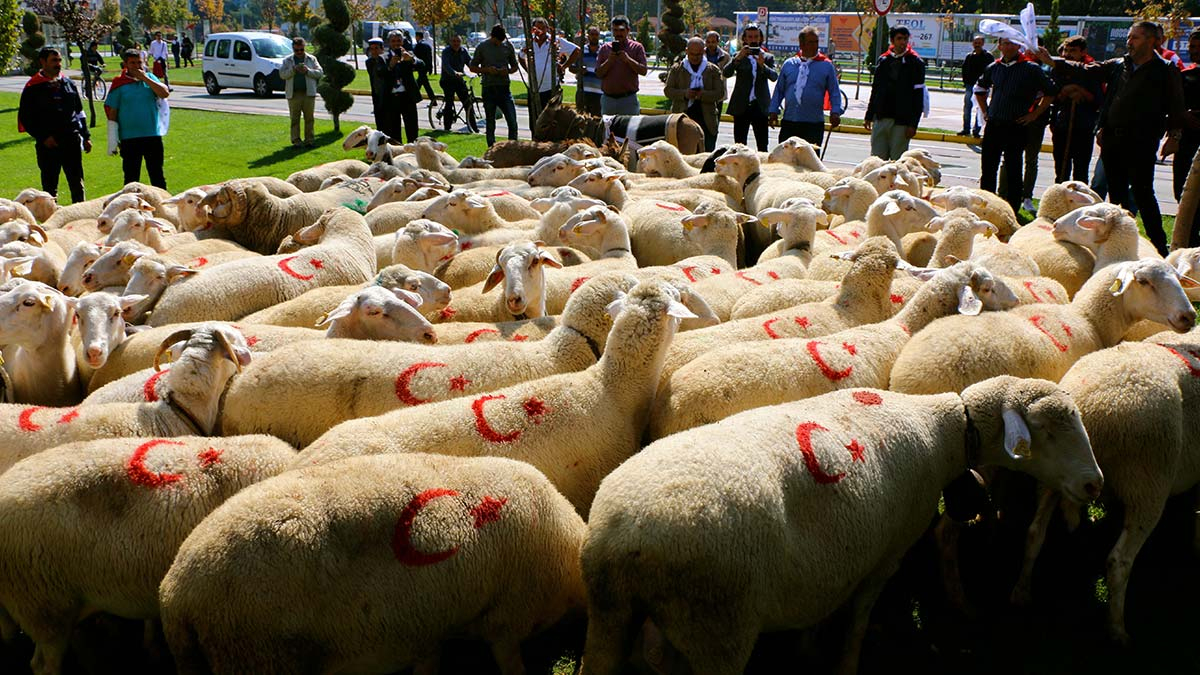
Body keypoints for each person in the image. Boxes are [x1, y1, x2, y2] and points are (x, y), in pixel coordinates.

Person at [1037, 21, 1185, 255]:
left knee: (1143, 194)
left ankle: (1159, 246)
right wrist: (1052, 62)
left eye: (1135, 38)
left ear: (1150, 40)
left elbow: (1177, 107)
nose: (1129, 42)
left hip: (1142, 142)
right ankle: (1120, 243)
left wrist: (1174, 136)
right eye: (1128, 37)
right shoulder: (1119, 65)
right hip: (1113, 141)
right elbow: (1087, 70)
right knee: (1116, 196)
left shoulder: (1165, 69)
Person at [974, 38, 1057, 218]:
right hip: (994, 124)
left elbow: (1051, 92)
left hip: (1016, 125)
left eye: (1012, 43)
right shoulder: (994, 67)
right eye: (1004, 43)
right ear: (1000, 46)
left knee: (1013, 168)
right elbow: (979, 89)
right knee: (988, 167)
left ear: (1019, 46)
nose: (1008, 47)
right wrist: (986, 111)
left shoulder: (1031, 68)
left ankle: (1012, 208)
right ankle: (986, 204)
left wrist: (1034, 114)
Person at [18, 47, 92, 203]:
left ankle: (80, 218)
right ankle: (51, 221)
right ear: (43, 62)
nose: (58, 64)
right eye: (54, 60)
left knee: (77, 182)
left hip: (71, 140)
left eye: (59, 60)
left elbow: (79, 111)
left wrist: (86, 136)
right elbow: (26, 118)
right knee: (50, 188)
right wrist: (44, 137)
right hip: (48, 145)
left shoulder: (68, 84)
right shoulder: (33, 87)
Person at [104, 48, 170, 189]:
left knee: (157, 175)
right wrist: (113, 139)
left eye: (139, 62)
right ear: (125, 64)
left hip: (152, 135)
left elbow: (164, 93)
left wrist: (144, 78)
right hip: (129, 139)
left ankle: (162, 207)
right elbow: (112, 113)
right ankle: (130, 207)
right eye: (132, 63)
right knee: (131, 178)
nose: (136, 66)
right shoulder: (119, 84)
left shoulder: (150, 79)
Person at [768, 26, 842, 147]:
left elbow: (834, 92)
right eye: (810, 42)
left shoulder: (826, 66)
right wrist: (773, 111)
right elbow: (779, 91)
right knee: (786, 161)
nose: (814, 46)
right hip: (790, 122)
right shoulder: (789, 64)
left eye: (816, 42)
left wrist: (835, 112)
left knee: (810, 163)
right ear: (801, 44)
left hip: (813, 124)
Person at [864, 26, 925, 160]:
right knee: (877, 160)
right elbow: (876, 89)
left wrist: (913, 124)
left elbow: (918, 97)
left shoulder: (916, 63)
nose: (903, 42)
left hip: (902, 121)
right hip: (881, 117)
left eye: (905, 39)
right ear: (892, 40)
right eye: (899, 38)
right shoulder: (884, 60)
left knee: (897, 163)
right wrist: (869, 115)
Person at [1049, 36, 1102, 183]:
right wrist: (1065, 91)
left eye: (1073, 51)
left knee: (1080, 171)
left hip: (1084, 126)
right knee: (1061, 170)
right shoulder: (1057, 70)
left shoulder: (1092, 70)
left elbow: (1098, 100)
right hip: (1062, 125)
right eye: (1066, 50)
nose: (1068, 54)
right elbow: (1052, 95)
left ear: (1083, 52)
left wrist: (1080, 90)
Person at [665, 37, 725, 152]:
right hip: (682, 118)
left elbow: (720, 93)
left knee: (707, 154)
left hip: (707, 120)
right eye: (692, 54)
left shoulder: (713, 70)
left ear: (703, 52)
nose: (695, 57)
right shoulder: (677, 69)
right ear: (687, 51)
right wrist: (685, 93)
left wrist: (702, 95)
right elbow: (668, 91)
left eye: (698, 54)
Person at [724, 23, 776, 151]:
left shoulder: (767, 57)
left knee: (762, 144)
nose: (753, 40)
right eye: (750, 37)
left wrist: (763, 66)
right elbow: (726, 73)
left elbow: (774, 76)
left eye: (756, 37)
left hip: (760, 105)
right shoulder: (738, 56)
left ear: (760, 38)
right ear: (745, 39)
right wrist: (738, 58)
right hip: (742, 105)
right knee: (739, 145)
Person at [520, 17, 578, 124]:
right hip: (534, 89)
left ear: (547, 28)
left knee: (552, 122)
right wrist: (529, 70)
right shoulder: (529, 43)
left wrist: (563, 66)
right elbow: (520, 56)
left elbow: (576, 50)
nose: (540, 31)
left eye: (543, 28)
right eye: (537, 28)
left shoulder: (554, 41)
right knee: (534, 121)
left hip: (551, 89)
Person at [470, 24, 519, 146]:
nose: (499, 43)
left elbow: (515, 67)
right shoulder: (482, 47)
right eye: (497, 41)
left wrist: (506, 71)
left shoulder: (508, 46)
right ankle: (491, 148)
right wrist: (487, 70)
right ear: (492, 36)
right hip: (489, 88)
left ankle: (512, 148)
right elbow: (472, 67)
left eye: (501, 41)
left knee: (512, 121)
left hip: (504, 88)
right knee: (491, 122)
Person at [1174, 28, 1200, 247]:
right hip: (1186, 142)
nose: (1195, 52)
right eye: (1192, 47)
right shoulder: (1184, 77)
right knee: (1181, 192)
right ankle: (1187, 247)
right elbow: (1174, 108)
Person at [596, 15, 648, 115]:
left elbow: (643, 71)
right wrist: (609, 61)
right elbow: (598, 73)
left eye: (621, 30)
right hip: (608, 100)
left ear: (628, 30)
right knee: (607, 130)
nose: (618, 33)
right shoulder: (605, 48)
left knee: (630, 130)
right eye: (615, 30)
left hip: (628, 100)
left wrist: (628, 60)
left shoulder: (637, 47)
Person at [380, 30, 424, 143]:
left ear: (403, 41)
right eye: (393, 41)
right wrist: (390, 66)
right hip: (392, 97)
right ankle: (397, 154)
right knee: (394, 130)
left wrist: (412, 60)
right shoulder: (384, 57)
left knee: (412, 128)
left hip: (407, 96)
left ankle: (413, 153)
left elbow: (422, 65)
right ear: (389, 42)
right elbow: (380, 74)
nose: (396, 44)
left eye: (399, 41)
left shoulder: (408, 54)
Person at [280, 37, 323, 148]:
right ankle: (296, 141)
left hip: (308, 93)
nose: (299, 52)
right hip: (294, 94)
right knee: (295, 119)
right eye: (296, 50)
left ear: (304, 48)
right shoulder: (287, 60)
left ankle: (309, 140)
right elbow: (282, 74)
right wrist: (293, 70)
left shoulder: (311, 59)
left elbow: (319, 73)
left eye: (301, 50)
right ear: (293, 49)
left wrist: (308, 71)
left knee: (309, 118)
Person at [439, 34, 477, 132]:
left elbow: (470, 63)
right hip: (447, 80)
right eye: (454, 41)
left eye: (458, 41)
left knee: (468, 103)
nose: (456, 43)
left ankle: (474, 128)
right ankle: (447, 127)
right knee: (449, 102)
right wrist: (454, 73)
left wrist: (478, 70)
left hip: (459, 80)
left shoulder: (463, 51)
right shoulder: (446, 52)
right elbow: (446, 66)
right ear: (450, 42)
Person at [959, 35, 991, 137]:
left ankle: (976, 131)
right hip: (970, 85)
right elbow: (964, 70)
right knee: (967, 107)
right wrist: (965, 82)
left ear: (983, 43)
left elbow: (991, 71)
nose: (977, 45)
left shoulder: (988, 57)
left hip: (982, 87)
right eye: (975, 42)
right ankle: (966, 129)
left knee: (980, 109)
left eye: (979, 42)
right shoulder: (969, 56)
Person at [572, 25, 604, 115]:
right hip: (583, 92)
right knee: (582, 120)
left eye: (596, 34)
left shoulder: (604, 51)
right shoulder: (581, 51)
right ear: (587, 36)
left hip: (600, 93)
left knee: (597, 122)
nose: (594, 36)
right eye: (592, 34)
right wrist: (579, 69)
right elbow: (571, 67)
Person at [365, 37, 389, 133]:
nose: (374, 51)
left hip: (387, 96)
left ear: (382, 49)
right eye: (372, 49)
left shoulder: (386, 60)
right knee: (380, 124)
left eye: (376, 48)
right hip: (377, 95)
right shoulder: (369, 62)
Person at [412, 31, 436, 102]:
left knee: (422, 83)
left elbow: (415, 55)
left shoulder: (418, 45)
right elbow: (430, 57)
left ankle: (414, 98)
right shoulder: (427, 45)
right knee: (423, 83)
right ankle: (432, 99)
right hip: (426, 67)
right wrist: (430, 67)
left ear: (418, 37)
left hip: (420, 66)